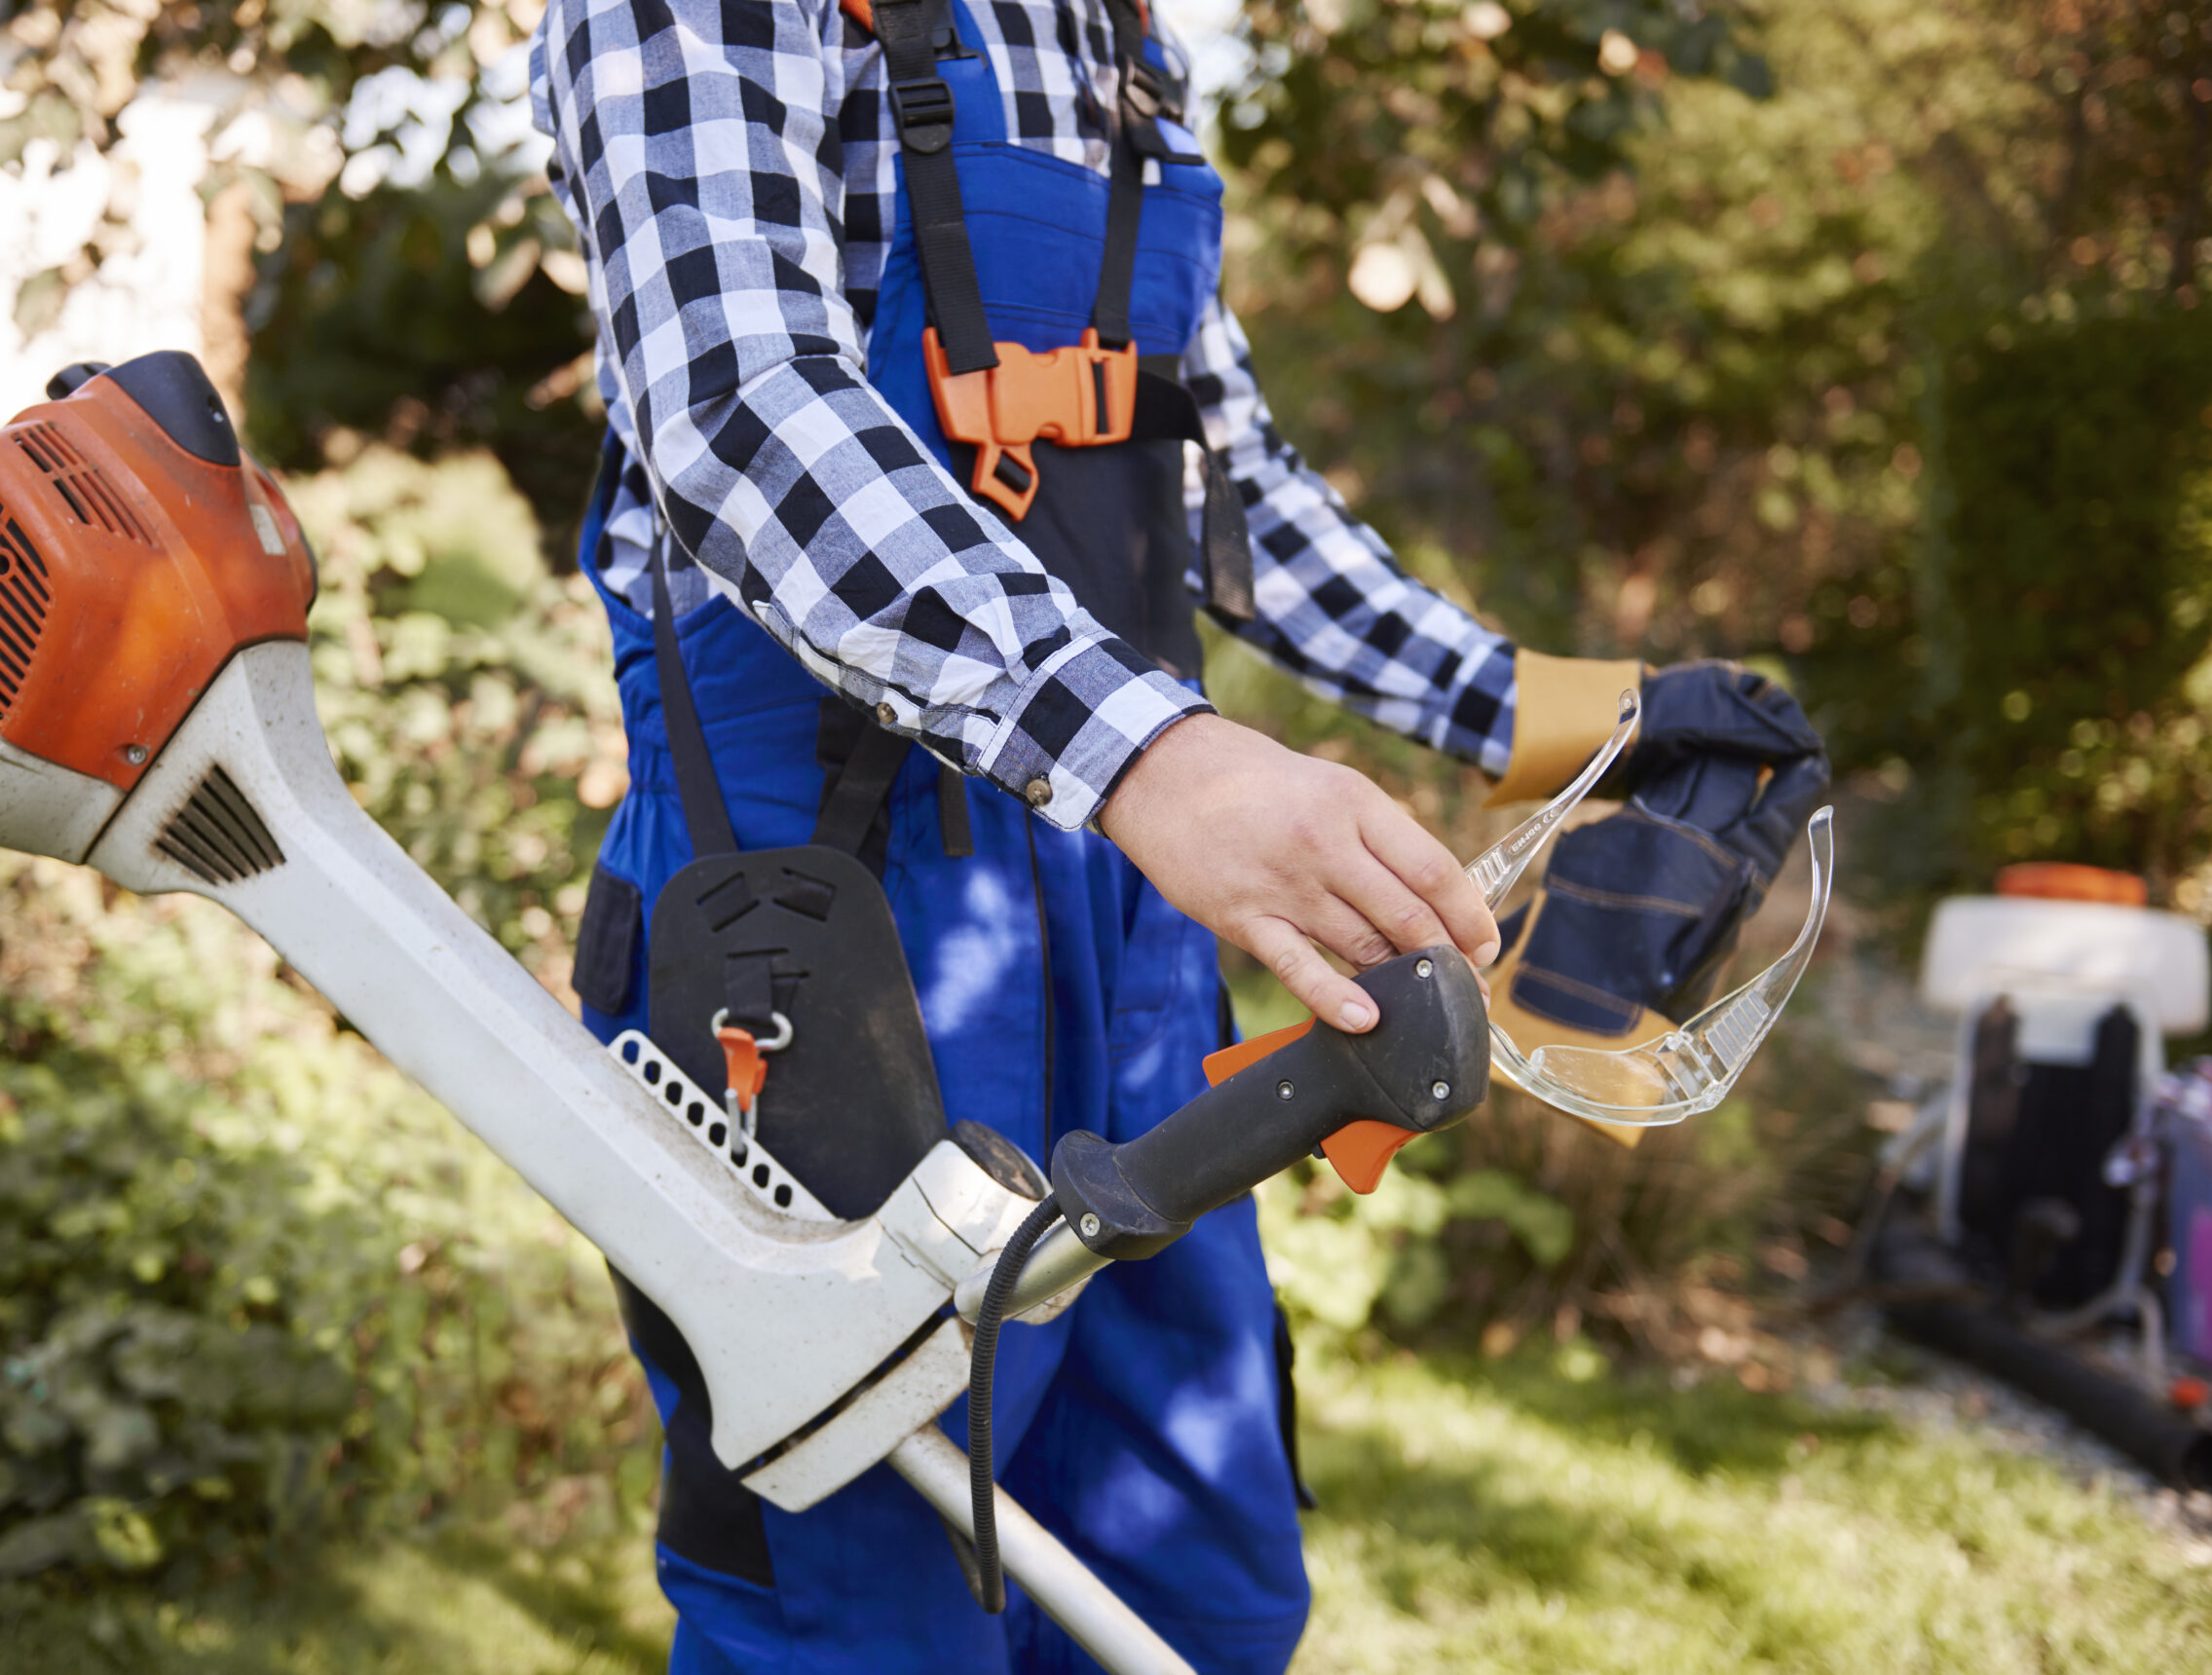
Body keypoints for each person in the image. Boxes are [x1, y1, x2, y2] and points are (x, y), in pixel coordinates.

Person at [525, 3, 1822, 1671]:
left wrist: (1553, 717)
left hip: (1124, 925)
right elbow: (737, 405)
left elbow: (1220, 477)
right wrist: (1157, 758)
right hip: (817, 932)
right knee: (863, 1606)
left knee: (1192, 1594)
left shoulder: (1112, 33)